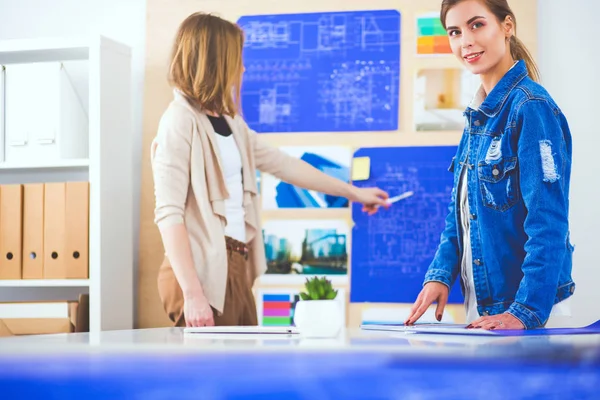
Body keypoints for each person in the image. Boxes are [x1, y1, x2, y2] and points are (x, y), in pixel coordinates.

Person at [150, 12, 389, 328]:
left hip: (234, 264)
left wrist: (353, 193)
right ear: (215, 61)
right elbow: (169, 214)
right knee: (211, 374)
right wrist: (193, 293)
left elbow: (287, 165)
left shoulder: (231, 124)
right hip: (199, 271)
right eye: (237, 58)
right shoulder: (179, 121)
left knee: (242, 370)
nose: (243, 68)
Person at [405, 0, 575, 330]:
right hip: (486, 308)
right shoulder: (476, 119)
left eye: (477, 25)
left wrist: (524, 312)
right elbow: (462, 217)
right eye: (454, 31)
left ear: (507, 26)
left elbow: (548, 221)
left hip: (528, 309)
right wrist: (439, 276)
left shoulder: (532, 107)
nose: (465, 40)